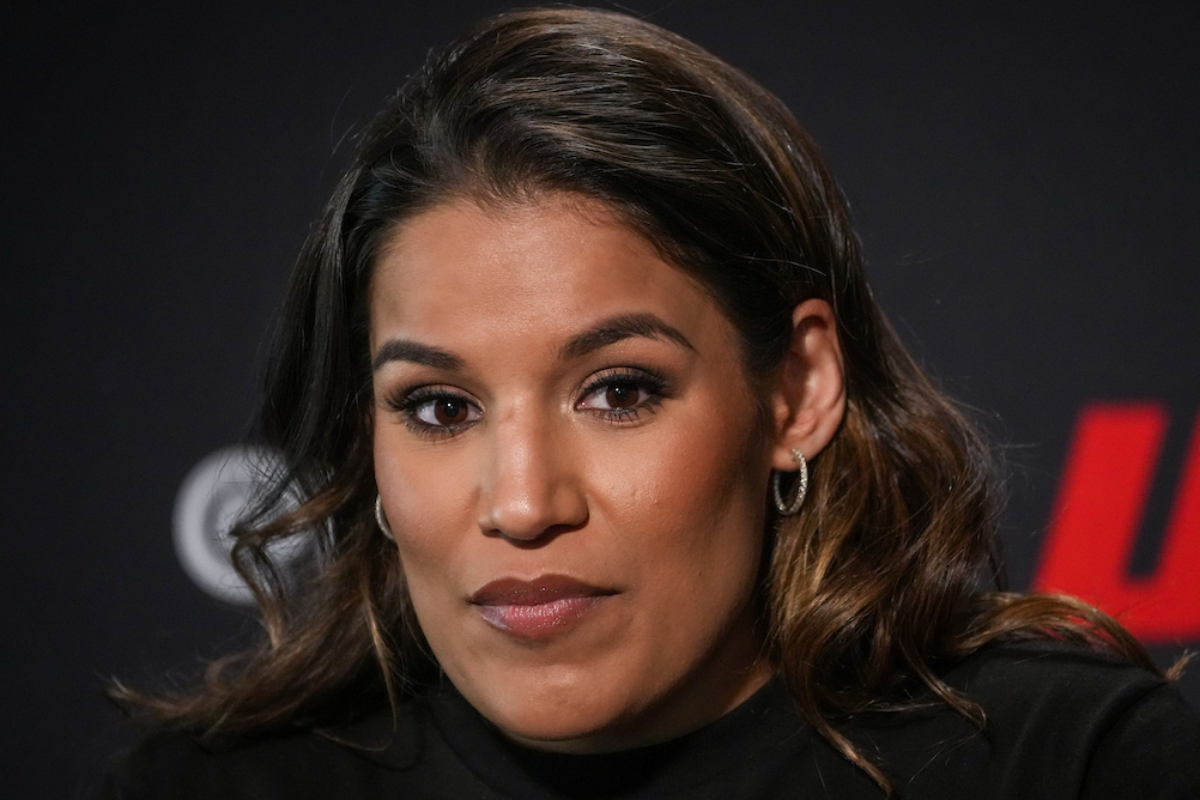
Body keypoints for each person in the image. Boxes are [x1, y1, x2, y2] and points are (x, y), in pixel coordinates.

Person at [104, 7, 1200, 798]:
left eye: (619, 391)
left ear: (798, 392)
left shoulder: (1071, 761)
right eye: (439, 408)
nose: (522, 503)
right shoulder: (211, 787)